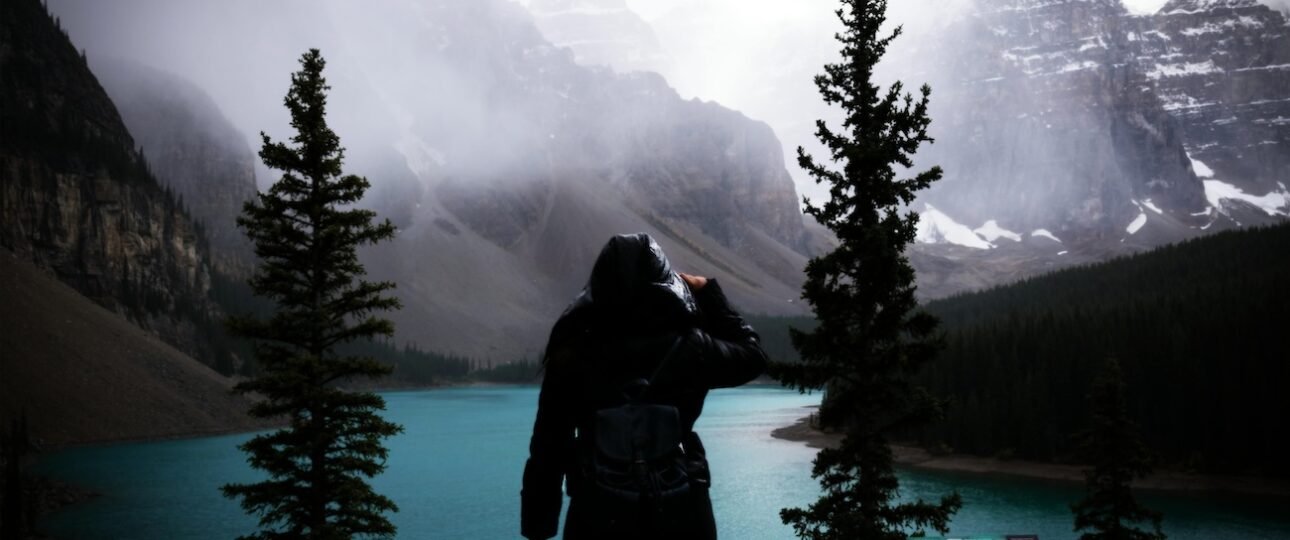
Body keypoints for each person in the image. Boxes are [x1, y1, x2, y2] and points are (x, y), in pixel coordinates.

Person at [520, 233, 768, 540]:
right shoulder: (694, 348)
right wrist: (710, 293)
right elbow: (753, 356)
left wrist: (538, 527)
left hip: (597, 515)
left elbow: (548, 447)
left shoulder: (572, 354)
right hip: (684, 512)